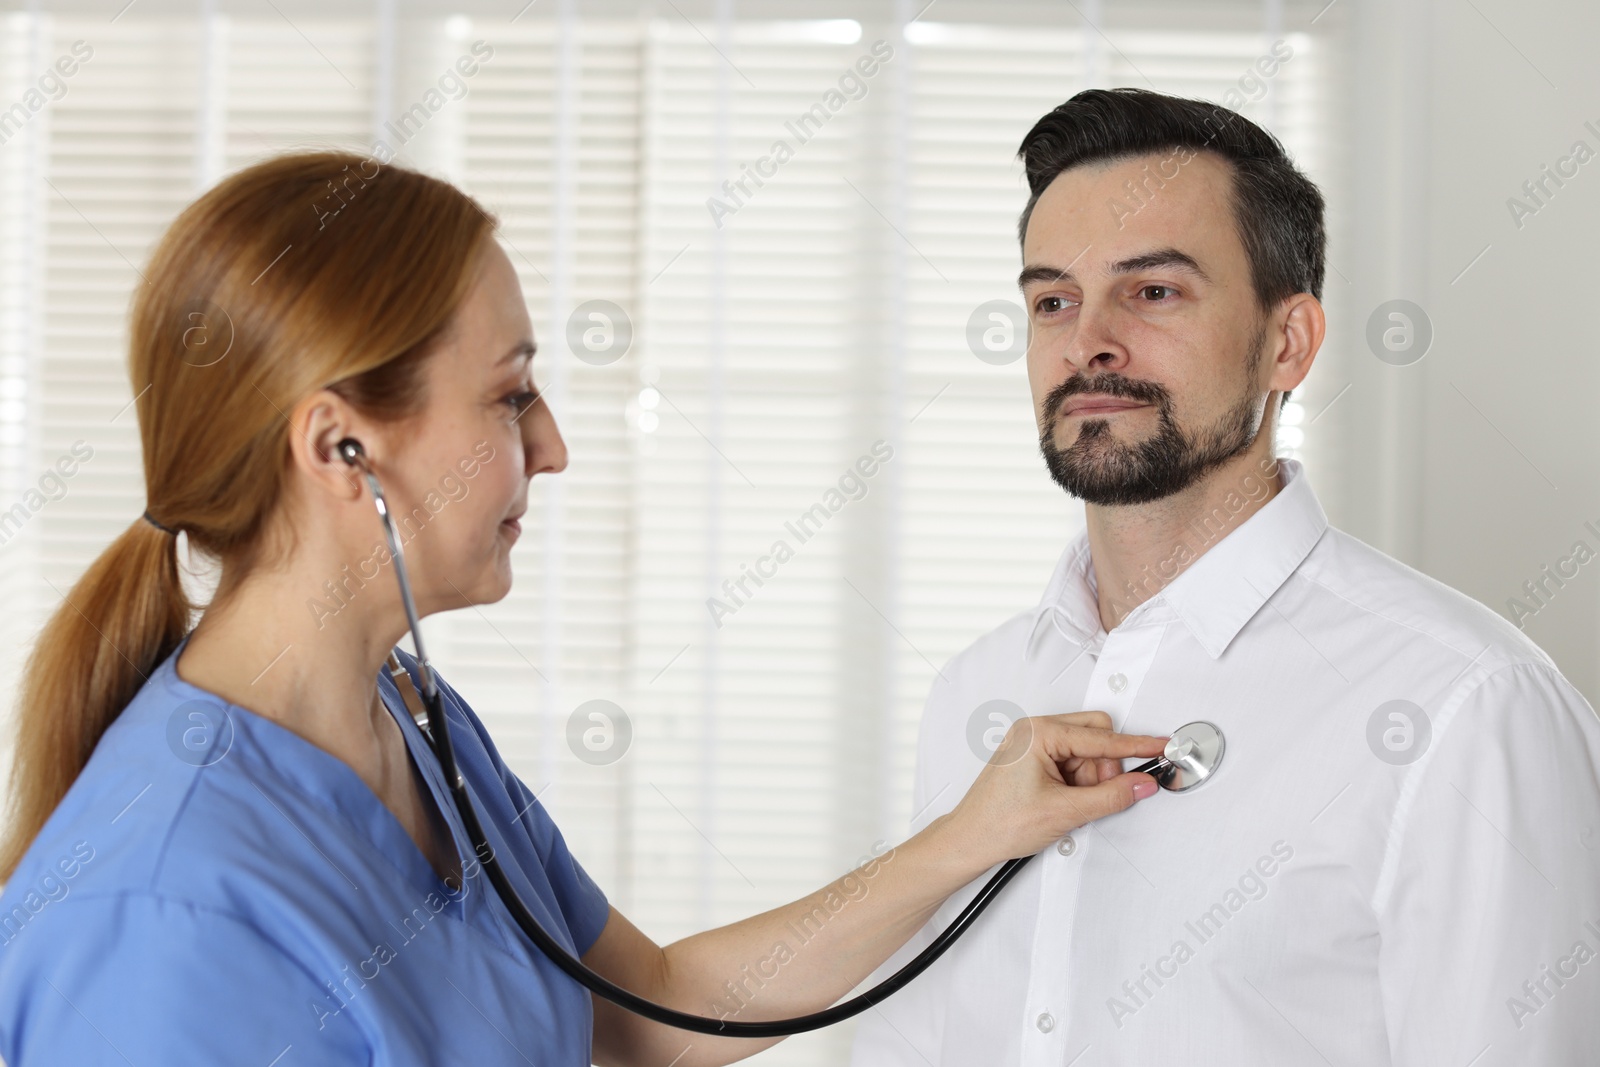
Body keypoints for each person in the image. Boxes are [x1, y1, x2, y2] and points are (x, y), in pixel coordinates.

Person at [0, 151, 1170, 1065]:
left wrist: (974, 834)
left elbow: (654, 1006)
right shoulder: (161, 910)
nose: (551, 447)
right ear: (340, 445)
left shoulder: (411, 721)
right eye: (510, 395)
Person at [849, 87, 1600, 1066]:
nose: (1088, 343)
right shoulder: (975, 691)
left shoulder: (1466, 704)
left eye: (1153, 291)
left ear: (1285, 342)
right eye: (1051, 301)